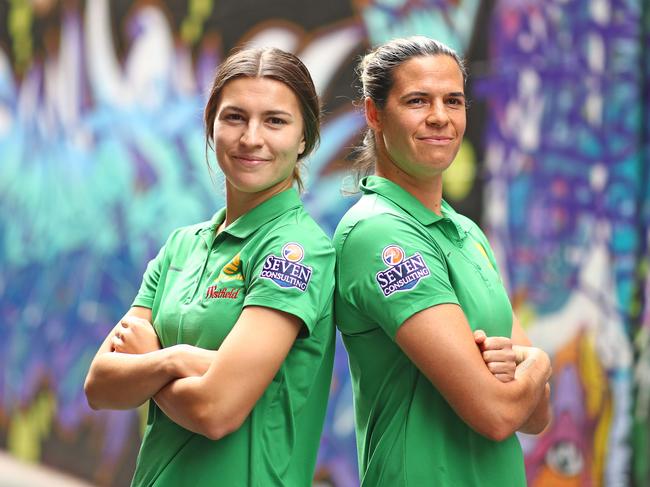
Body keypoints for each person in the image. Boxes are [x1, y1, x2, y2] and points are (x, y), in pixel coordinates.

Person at [84, 47, 335, 486]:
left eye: (275, 121)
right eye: (234, 117)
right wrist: (176, 363)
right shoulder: (182, 247)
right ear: (212, 125)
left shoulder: (297, 250)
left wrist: (155, 360)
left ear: (304, 139)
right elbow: (101, 384)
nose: (251, 137)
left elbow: (217, 411)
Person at [333, 36, 552, 486]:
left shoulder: (466, 232)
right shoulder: (378, 232)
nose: (440, 117)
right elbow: (496, 412)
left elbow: (537, 415)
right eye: (417, 100)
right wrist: (540, 363)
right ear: (374, 114)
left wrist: (520, 375)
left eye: (453, 100)